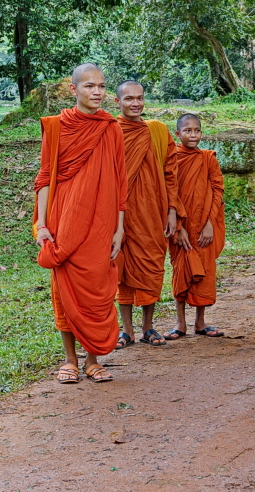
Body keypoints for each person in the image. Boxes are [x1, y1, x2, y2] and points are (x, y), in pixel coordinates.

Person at [33, 63, 127, 383]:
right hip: (64, 220)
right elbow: (44, 178)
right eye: (89, 86)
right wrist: (42, 224)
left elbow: (120, 182)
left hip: (101, 222)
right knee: (65, 291)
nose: (97, 92)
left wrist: (119, 227)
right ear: (73, 90)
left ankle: (92, 360)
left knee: (97, 290)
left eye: (101, 86)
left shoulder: (111, 128)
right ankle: (70, 360)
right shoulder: (56, 127)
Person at [113, 80, 182, 348]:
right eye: (129, 99)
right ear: (117, 102)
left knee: (151, 266)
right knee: (121, 269)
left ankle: (148, 327)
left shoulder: (157, 131)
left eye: (139, 98)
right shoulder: (110, 131)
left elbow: (170, 172)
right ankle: (126, 330)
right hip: (120, 214)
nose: (135, 103)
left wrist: (172, 210)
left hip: (153, 211)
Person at [163, 114, 225, 340]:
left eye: (197, 130)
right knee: (180, 269)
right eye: (187, 131)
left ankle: (200, 322)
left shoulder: (208, 158)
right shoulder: (172, 160)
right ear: (177, 134)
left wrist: (210, 224)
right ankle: (180, 323)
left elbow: (217, 190)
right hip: (180, 227)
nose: (193, 135)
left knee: (205, 271)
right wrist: (178, 228)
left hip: (203, 224)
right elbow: (168, 194)